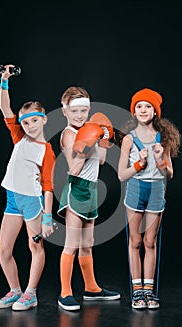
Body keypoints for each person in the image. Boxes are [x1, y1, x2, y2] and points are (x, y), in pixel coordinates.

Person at [0, 64, 56, 311]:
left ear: (44, 120)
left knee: (35, 247)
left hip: (31, 202)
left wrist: (48, 217)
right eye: (25, 122)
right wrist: (4, 80)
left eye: (34, 121)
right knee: (3, 249)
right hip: (12, 199)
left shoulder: (46, 150)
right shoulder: (18, 136)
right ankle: (15, 290)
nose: (29, 126)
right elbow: (4, 108)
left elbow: (48, 186)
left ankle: (30, 294)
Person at [57, 86, 120, 311]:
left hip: (92, 190)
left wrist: (103, 139)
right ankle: (65, 292)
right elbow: (74, 169)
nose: (80, 116)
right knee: (71, 244)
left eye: (84, 111)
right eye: (75, 112)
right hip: (76, 189)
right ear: (65, 111)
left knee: (88, 244)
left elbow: (101, 162)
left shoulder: (89, 129)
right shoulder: (68, 134)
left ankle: (91, 288)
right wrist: (87, 144)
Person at [118, 88, 181, 309]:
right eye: (139, 106)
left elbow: (170, 174)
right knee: (135, 241)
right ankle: (137, 292)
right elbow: (121, 174)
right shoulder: (128, 139)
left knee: (150, 241)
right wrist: (138, 165)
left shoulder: (161, 139)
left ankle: (148, 290)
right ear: (134, 112)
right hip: (135, 189)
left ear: (155, 112)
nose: (143, 110)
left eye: (148, 106)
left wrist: (160, 161)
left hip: (156, 191)